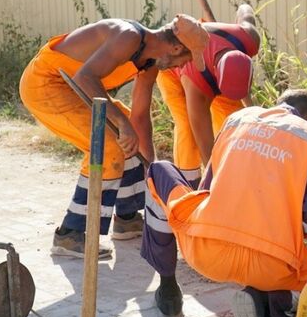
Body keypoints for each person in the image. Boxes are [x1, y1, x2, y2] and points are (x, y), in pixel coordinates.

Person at [141, 89, 307, 317]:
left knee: (158, 171)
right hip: (271, 264)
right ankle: (264, 302)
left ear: (276, 104)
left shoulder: (237, 119)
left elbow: (207, 187)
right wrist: (290, 234)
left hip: (205, 252)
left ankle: (168, 290)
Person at [19, 15, 208, 259]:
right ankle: (70, 233)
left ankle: (127, 218)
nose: (182, 66)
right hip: (47, 84)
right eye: (186, 59)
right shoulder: (128, 37)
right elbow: (85, 77)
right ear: (176, 48)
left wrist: (151, 172)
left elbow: (139, 118)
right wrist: (121, 123)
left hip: (74, 87)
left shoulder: (149, 62)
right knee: (108, 145)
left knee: (127, 134)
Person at [155, 3, 260, 187]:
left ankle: (236, 174)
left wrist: (243, 7)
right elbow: (206, 146)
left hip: (210, 50)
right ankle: (189, 185)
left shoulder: (249, 38)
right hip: (173, 64)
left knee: (233, 125)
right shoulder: (197, 83)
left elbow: (246, 12)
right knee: (187, 127)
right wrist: (212, 185)